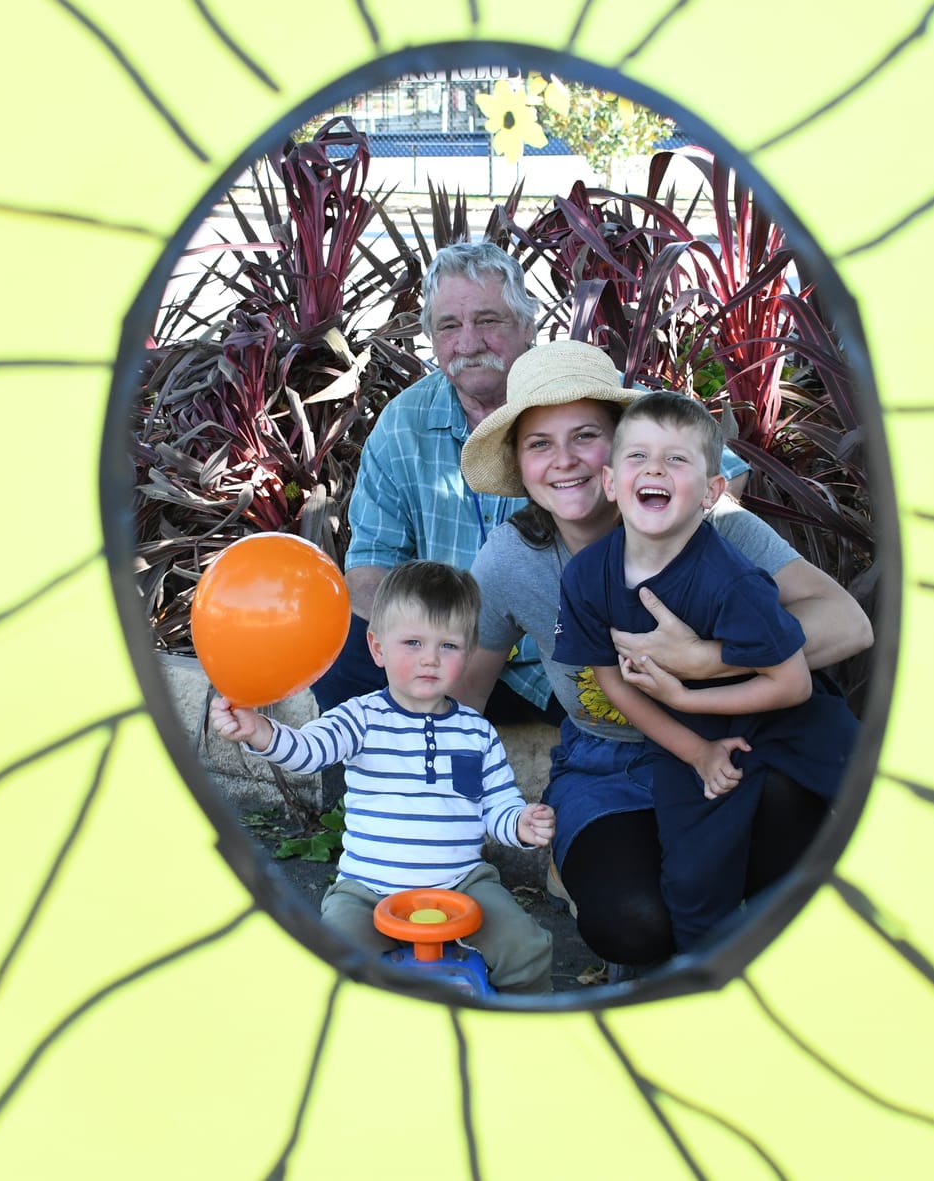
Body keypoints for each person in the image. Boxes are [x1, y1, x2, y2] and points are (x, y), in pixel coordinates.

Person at [455, 341, 871, 968]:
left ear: (620, 452)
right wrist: (459, 822)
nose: (562, 460)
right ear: (519, 462)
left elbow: (847, 623)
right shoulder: (512, 560)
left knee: (785, 828)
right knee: (635, 924)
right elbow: (463, 700)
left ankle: (763, 944)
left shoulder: (712, 525)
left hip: (735, 736)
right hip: (610, 762)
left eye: (586, 435)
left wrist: (707, 660)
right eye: (539, 443)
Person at [312, 240, 748, 720]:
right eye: (449, 326)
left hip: (565, 656)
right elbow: (371, 566)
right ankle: (395, 786)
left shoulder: (587, 396)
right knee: (343, 658)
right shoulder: (403, 423)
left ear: (527, 325)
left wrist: (644, 582)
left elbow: (723, 473)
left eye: (488, 321)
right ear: (431, 339)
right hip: (449, 654)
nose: (469, 342)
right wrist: (427, 640)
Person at [554, 391, 860, 952]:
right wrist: (696, 750)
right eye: (638, 457)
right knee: (694, 885)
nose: (654, 469)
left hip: (793, 722)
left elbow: (790, 684)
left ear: (712, 492)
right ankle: (705, 995)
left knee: (870, 815)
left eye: (676, 459)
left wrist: (688, 696)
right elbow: (610, 679)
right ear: (610, 482)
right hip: (689, 741)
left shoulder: (732, 580)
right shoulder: (586, 578)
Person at [209, 560, 556, 994]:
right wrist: (261, 732)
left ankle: (531, 1035)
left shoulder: (476, 732)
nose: (430, 658)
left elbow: (496, 807)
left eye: (448, 646)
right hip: (368, 889)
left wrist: (520, 824)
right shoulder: (362, 718)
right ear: (377, 648)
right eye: (413, 642)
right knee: (333, 955)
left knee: (525, 947)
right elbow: (310, 750)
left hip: (462, 883)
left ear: (469, 653)